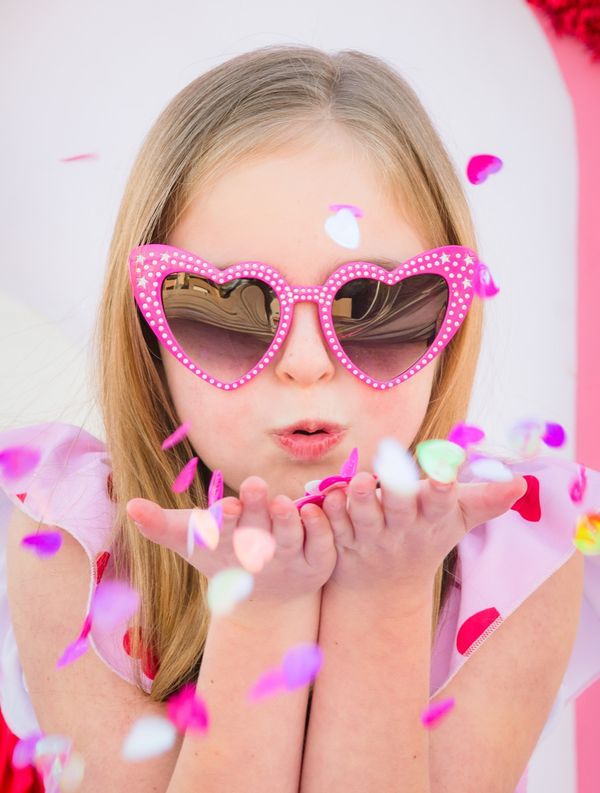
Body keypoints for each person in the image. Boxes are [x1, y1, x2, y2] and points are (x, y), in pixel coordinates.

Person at [0, 44, 599, 793]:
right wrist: (259, 609)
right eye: (231, 306)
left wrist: (387, 595)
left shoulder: (523, 556)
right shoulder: (68, 538)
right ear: (149, 331)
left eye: (375, 304)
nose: (307, 363)